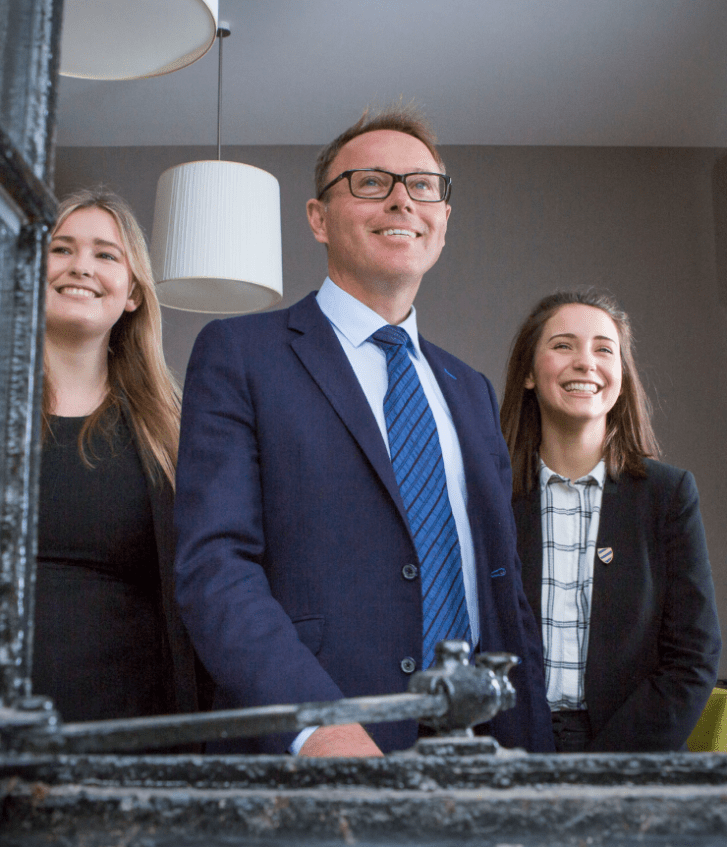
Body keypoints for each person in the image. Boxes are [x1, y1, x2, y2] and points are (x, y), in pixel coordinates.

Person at [174, 105, 554, 756]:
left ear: (442, 221)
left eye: (422, 185)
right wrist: (317, 720)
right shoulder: (240, 353)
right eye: (371, 182)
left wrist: (536, 753)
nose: (402, 200)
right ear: (318, 218)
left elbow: (504, 588)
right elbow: (215, 567)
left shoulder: (469, 389)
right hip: (323, 749)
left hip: (487, 752)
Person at [500, 289, 721, 752]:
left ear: (621, 376)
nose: (586, 362)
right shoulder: (490, 497)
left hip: (631, 756)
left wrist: (606, 768)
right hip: (509, 753)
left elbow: (694, 658)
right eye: (563, 345)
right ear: (527, 373)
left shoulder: (668, 495)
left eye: (604, 349)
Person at [32, 188, 210, 726]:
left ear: (132, 293)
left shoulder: (172, 428)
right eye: (60, 249)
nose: (80, 266)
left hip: (127, 734)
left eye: (106, 254)